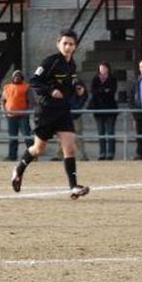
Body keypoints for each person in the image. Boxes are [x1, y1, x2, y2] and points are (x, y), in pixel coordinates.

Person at [10, 30, 90, 200]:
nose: (68, 47)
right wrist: (50, 90)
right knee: (38, 149)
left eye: (71, 44)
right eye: (65, 43)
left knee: (69, 147)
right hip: (46, 111)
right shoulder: (50, 62)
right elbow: (33, 81)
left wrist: (78, 90)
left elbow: (68, 87)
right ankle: (19, 169)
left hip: (62, 111)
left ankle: (73, 187)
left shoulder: (72, 65)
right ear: (58, 44)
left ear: (75, 46)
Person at [0, 69, 33, 161]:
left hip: (23, 115)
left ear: (22, 78)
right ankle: (12, 156)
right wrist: (4, 110)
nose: (17, 77)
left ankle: (32, 155)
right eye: (15, 76)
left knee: (27, 136)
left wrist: (28, 112)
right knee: (12, 137)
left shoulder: (26, 87)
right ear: (12, 78)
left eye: (19, 76)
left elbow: (30, 101)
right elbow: (3, 100)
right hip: (10, 116)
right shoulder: (7, 87)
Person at [88, 61, 118, 160]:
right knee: (101, 133)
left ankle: (110, 153)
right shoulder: (95, 79)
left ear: (108, 69)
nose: (102, 70)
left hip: (110, 109)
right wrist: (104, 90)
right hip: (98, 110)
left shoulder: (112, 79)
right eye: (101, 68)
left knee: (110, 132)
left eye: (104, 68)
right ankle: (102, 153)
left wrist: (100, 91)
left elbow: (111, 92)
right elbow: (93, 92)